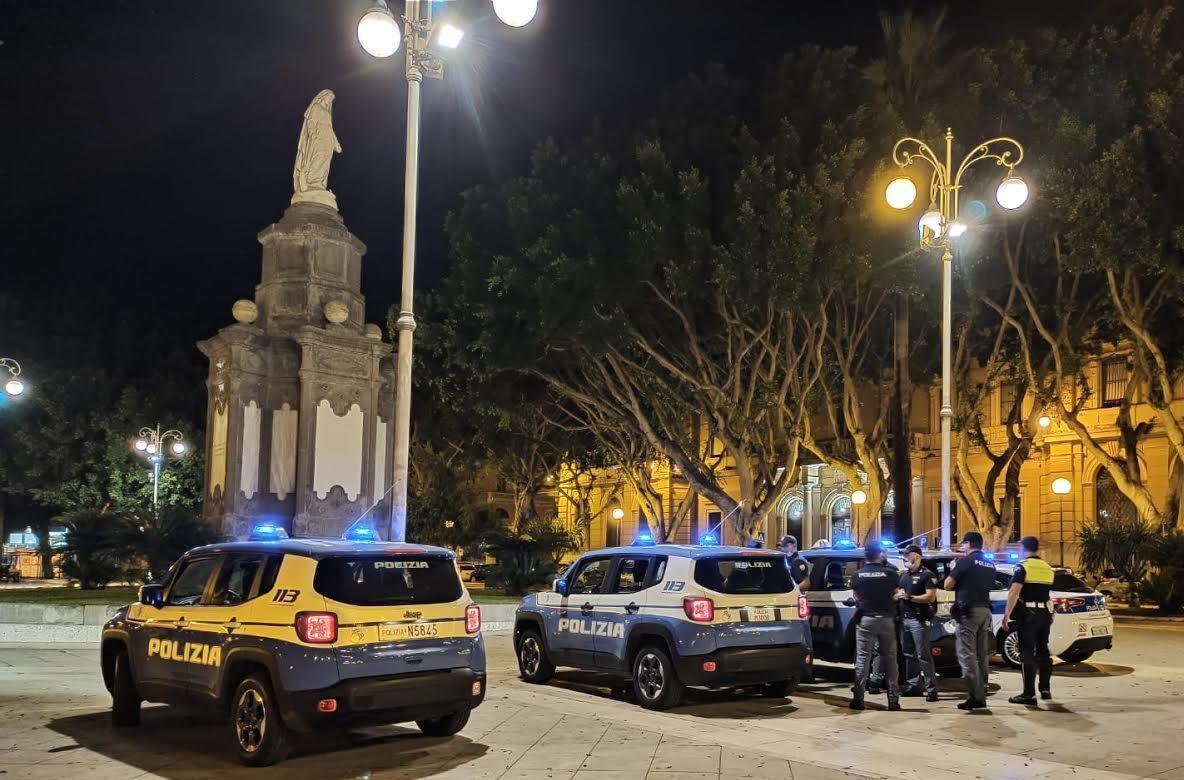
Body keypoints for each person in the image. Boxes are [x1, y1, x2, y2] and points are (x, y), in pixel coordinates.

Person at [944, 531, 997, 710]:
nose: (962, 548)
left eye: (963, 545)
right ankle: (983, 688)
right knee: (982, 655)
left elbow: (947, 585)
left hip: (968, 612)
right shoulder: (989, 563)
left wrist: (953, 568)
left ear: (968, 544)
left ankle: (976, 696)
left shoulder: (965, 561)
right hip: (985, 611)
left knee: (966, 654)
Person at [1002, 535, 1055, 704]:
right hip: (1045, 614)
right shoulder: (1048, 568)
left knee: (1026, 652)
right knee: (1042, 650)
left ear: (1023, 548)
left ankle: (1028, 694)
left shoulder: (1022, 567)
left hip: (1029, 615)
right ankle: (1045, 689)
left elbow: (1014, 592)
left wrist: (1006, 615)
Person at [850, 546, 901, 711]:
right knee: (891, 659)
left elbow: (856, 596)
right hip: (886, 619)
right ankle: (893, 700)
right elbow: (897, 594)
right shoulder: (891, 574)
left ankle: (858, 699)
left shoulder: (858, 575)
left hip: (866, 619)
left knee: (863, 659)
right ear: (880, 555)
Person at [896, 545, 939, 702]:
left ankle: (932, 690)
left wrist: (910, 598)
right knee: (909, 655)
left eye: (909, 556)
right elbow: (899, 592)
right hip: (904, 619)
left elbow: (930, 597)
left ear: (917, 557)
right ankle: (914, 686)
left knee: (923, 655)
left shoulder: (927, 575)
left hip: (919, 619)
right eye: (905, 556)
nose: (906, 558)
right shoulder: (905, 575)